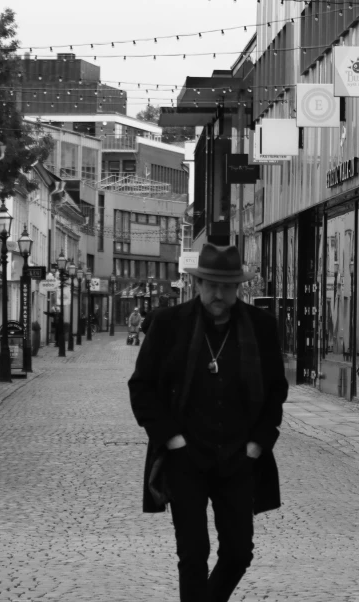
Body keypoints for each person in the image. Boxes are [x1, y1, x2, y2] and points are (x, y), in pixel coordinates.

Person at [128, 243, 288, 602]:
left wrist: (258, 443)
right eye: (212, 285)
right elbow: (142, 387)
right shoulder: (170, 325)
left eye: (227, 286)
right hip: (186, 457)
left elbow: (276, 389)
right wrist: (170, 439)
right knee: (193, 554)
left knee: (238, 553)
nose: (219, 293)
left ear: (238, 288)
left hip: (239, 457)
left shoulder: (260, 326)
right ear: (197, 283)